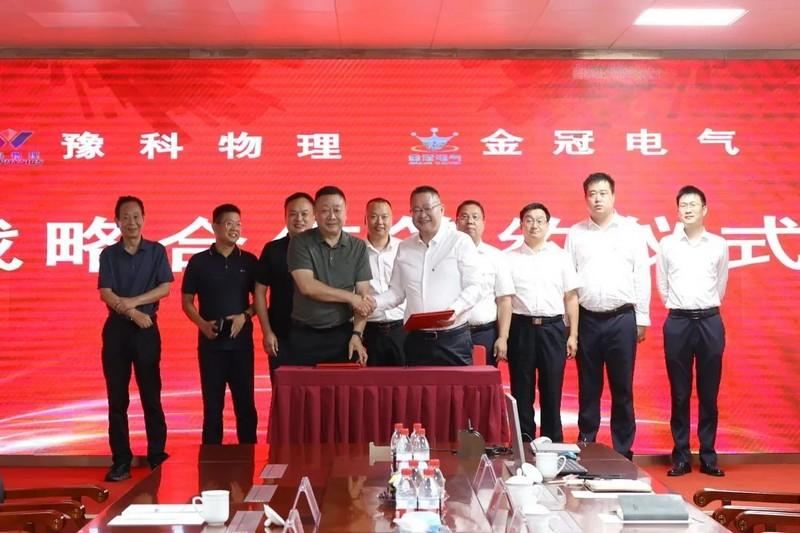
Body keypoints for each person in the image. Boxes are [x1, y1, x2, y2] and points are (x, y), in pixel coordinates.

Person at [565, 172, 650, 460]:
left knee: (622, 387)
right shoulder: (576, 233)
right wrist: (570, 325)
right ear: (585, 198)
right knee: (588, 387)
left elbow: (642, 275)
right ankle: (587, 445)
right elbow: (569, 280)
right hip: (587, 319)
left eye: (603, 193)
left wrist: (642, 318)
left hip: (622, 318)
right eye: (592, 194)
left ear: (613, 196)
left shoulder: (632, 231)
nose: (597, 199)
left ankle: (623, 450)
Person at [98, 196, 172, 482]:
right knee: (117, 399)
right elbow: (106, 292)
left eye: (136, 216)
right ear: (117, 221)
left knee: (151, 395)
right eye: (126, 217)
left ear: (144, 218)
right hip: (117, 330)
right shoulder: (109, 254)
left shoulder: (156, 251)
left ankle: (157, 455)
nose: (132, 222)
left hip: (147, 329)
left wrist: (134, 304)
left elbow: (164, 288)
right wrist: (132, 313)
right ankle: (121, 461)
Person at [657, 185, 728, 477]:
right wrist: (680, 308)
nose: (687, 209)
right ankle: (681, 456)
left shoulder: (718, 244)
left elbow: (721, 283)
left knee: (709, 394)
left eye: (693, 205)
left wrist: (704, 307)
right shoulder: (667, 244)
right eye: (683, 205)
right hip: (678, 322)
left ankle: (708, 455)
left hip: (710, 320)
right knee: (679, 393)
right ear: (678, 211)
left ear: (704, 209)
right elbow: (662, 284)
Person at [375, 185, 483, 366]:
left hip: (453, 340)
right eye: (416, 210)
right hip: (416, 341)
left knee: (456, 386)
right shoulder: (405, 247)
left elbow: (475, 286)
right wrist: (373, 303)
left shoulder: (460, 241)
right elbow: (396, 292)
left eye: (427, 208)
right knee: (417, 386)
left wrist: (454, 311)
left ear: (441, 209)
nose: (422, 214)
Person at [499, 203, 579, 442]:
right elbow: (505, 300)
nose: (534, 225)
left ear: (548, 225)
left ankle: (552, 443)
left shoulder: (561, 257)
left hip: (552, 328)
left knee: (552, 389)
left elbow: (571, 297)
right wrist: (503, 337)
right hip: (520, 328)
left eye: (539, 220)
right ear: (521, 225)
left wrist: (573, 334)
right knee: (521, 390)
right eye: (529, 220)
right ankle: (523, 443)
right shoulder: (509, 258)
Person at [181, 204, 258, 445]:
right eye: (228, 223)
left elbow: (260, 300)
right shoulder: (199, 262)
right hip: (211, 346)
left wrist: (245, 316)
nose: (235, 228)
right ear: (215, 227)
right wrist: (203, 325)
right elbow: (186, 301)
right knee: (213, 409)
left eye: (238, 224)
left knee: (246, 407)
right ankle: (211, 462)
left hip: (241, 346)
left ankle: (250, 458)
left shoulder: (249, 261)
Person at [286, 185, 372, 366]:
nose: (332, 216)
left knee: (343, 385)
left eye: (337, 210)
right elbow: (307, 287)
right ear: (315, 214)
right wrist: (350, 297)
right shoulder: (300, 242)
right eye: (325, 211)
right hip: (305, 335)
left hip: (343, 334)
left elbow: (363, 297)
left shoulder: (358, 247)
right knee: (304, 385)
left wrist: (357, 334)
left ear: (346, 213)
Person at [253, 192, 314, 374]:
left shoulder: (324, 248)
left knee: (316, 387)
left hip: (318, 336)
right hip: (282, 334)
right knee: (283, 387)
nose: (299, 219)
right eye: (293, 214)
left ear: (314, 216)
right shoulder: (273, 249)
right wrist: (267, 332)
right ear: (285, 217)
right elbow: (259, 293)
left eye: (304, 214)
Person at [455, 200, 514, 365]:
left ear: (483, 223)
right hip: (452, 334)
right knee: (454, 380)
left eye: (475, 217)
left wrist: (503, 337)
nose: (470, 221)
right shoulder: (445, 256)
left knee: (482, 380)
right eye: (464, 217)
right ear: (456, 223)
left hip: (484, 334)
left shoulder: (496, 257)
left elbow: (504, 300)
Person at [363, 198, 406, 366]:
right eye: (374, 216)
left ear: (392, 219)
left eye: (384, 217)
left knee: (405, 380)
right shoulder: (356, 251)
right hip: (369, 329)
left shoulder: (404, 248)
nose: (379, 222)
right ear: (365, 219)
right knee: (370, 380)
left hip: (401, 329)